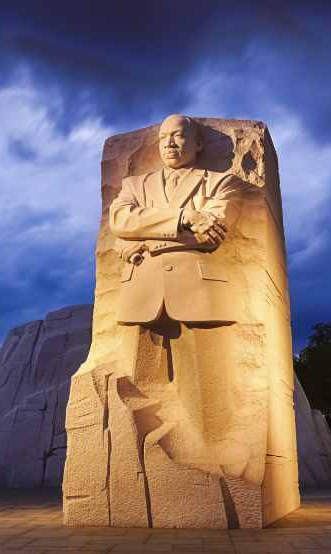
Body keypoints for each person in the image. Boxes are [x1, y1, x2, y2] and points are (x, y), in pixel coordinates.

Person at [108, 114, 252, 481]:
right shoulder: (134, 184)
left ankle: (212, 454)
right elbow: (121, 222)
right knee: (136, 381)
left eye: (179, 136)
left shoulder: (224, 183)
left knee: (205, 385)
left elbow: (213, 235)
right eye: (163, 137)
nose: (169, 143)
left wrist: (146, 240)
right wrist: (186, 218)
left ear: (198, 143)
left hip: (199, 292)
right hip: (141, 292)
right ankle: (140, 462)